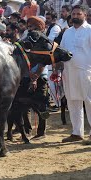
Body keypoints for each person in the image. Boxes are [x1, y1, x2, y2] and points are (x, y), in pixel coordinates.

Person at [59, 5, 91, 143]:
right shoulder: (67, 32)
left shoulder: (90, 31)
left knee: (89, 102)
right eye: (74, 14)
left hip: (86, 71)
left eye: (79, 13)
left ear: (85, 15)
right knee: (73, 102)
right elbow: (61, 50)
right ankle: (77, 132)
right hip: (69, 71)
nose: (76, 16)